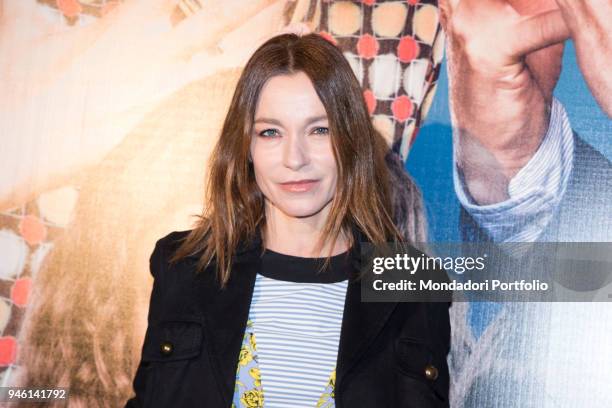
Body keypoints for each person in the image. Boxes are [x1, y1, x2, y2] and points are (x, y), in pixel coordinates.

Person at [125, 33, 451, 408]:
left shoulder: (412, 284)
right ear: (245, 147)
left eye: (319, 130)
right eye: (270, 132)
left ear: (351, 140)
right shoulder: (185, 267)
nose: (294, 158)